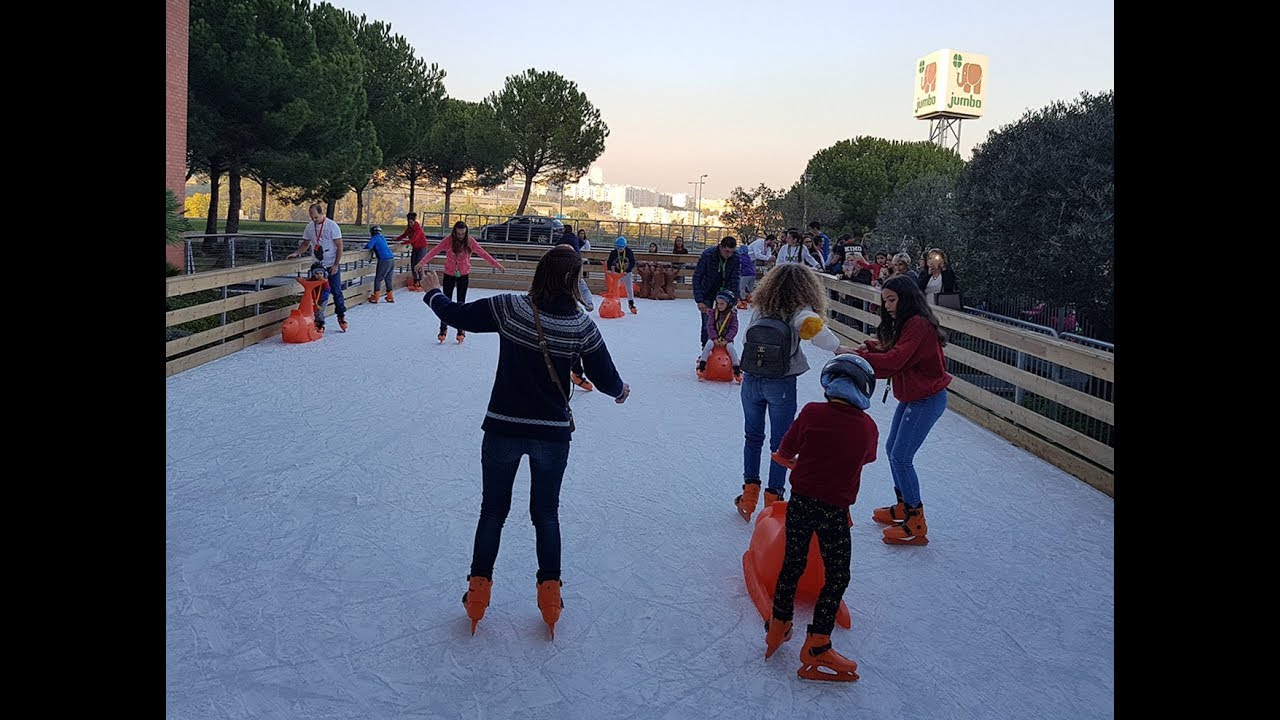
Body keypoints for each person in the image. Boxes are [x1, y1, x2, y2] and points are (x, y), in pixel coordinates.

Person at [419, 246, 631, 638]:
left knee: (493, 513)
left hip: (503, 427)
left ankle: (478, 593)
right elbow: (605, 377)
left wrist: (434, 291)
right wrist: (620, 391)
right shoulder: (581, 326)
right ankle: (550, 596)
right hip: (551, 433)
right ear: (573, 280)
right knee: (546, 515)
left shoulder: (510, 309)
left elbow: (457, 314)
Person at [762, 354, 878, 681]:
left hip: (800, 503)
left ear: (829, 386)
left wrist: (804, 465)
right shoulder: (867, 428)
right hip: (834, 511)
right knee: (837, 575)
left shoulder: (812, 413)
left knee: (793, 564)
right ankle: (817, 645)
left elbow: (783, 454)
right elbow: (865, 458)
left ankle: (779, 624)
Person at [735, 263, 842, 521]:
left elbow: (746, 339)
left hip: (751, 379)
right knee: (781, 443)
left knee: (752, 437)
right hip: (780, 382)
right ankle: (774, 497)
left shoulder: (762, 307)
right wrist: (838, 349)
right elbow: (814, 329)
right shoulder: (799, 311)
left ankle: (749, 494)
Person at [851, 275, 952, 546]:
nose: (888, 306)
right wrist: (871, 347)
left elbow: (896, 359)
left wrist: (860, 358)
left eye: (892, 300)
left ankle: (916, 520)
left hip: (926, 398)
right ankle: (903, 506)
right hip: (913, 396)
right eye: (885, 301)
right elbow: (893, 347)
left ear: (906, 298)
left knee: (901, 457)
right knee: (892, 451)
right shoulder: (907, 323)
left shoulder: (918, 324)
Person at [416, 221, 506, 343]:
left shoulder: (470, 242)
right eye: (458, 233)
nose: (460, 236)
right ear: (454, 232)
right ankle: (443, 329)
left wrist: (497, 265)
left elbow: (483, 253)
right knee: (445, 302)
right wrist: (421, 263)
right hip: (449, 274)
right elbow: (434, 251)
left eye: (463, 233)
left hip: (463, 275)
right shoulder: (448, 240)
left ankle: (461, 329)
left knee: (461, 302)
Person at [287, 203, 347, 332]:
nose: (314, 220)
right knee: (317, 295)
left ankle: (341, 316)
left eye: (316, 217)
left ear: (321, 213)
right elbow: (305, 243)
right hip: (317, 267)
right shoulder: (310, 227)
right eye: (311, 217)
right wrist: (297, 252)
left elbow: (339, 246)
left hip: (331, 265)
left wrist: (336, 264)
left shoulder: (332, 226)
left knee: (336, 292)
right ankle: (319, 322)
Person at [692, 237, 741, 355]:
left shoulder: (736, 257)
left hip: (726, 294)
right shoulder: (708, 255)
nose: (729, 254)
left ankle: (727, 351)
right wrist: (700, 300)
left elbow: (735, 279)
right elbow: (697, 277)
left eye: (732, 252)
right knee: (707, 323)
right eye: (727, 251)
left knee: (728, 322)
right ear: (720, 247)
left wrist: (733, 301)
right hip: (707, 292)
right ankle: (706, 351)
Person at [698, 290, 741, 382]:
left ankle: (736, 369)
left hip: (726, 339)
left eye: (722, 304)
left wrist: (727, 339)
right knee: (708, 345)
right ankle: (702, 365)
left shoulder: (732, 315)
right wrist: (714, 338)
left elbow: (734, 328)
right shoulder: (714, 313)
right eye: (717, 303)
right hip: (714, 338)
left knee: (731, 349)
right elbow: (710, 326)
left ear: (729, 304)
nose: (719, 306)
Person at [561, 224, 594, 311]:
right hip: (578, 262)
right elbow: (582, 242)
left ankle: (574, 305)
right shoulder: (575, 237)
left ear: (565, 230)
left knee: (567, 285)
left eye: (562, 229)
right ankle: (588, 303)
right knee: (580, 283)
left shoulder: (565, 238)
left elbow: (557, 246)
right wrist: (576, 249)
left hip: (569, 263)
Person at [394, 212, 429, 291]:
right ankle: (416, 280)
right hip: (415, 247)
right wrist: (397, 239)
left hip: (422, 247)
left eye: (411, 222)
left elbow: (413, 239)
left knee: (418, 264)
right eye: (409, 222)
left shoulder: (418, 229)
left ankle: (421, 281)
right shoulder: (409, 228)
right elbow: (404, 234)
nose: (410, 224)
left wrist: (402, 243)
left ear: (414, 221)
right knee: (413, 263)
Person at [739, 235, 775, 308]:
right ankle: (743, 298)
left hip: (753, 261)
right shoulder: (759, 243)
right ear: (770, 240)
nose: (773, 243)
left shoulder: (768, 247)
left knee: (751, 280)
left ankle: (750, 296)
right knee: (744, 280)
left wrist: (770, 257)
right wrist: (768, 258)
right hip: (748, 259)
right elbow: (757, 254)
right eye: (773, 241)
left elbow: (768, 254)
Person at [606, 236, 639, 314]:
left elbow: (632, 262)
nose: (620, 250)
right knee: (614, 288)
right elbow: (609, 262)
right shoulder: (613, 253)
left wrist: (627, 271)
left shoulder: (629, 252)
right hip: (617, 274)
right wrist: (609, 270)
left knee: (629, 289)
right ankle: (614, 303)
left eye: (621, 248)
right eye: (618, 248)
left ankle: (631, 304)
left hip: (626, 273)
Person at [364, 225, 396, 303]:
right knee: (388, 278)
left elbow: (369, 246)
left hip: (384, 260)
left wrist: (364, 247)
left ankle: (376, 297)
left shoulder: (375, 238)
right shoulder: (382, 237)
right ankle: (390, 296)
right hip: (391, 259)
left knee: (378, 279)